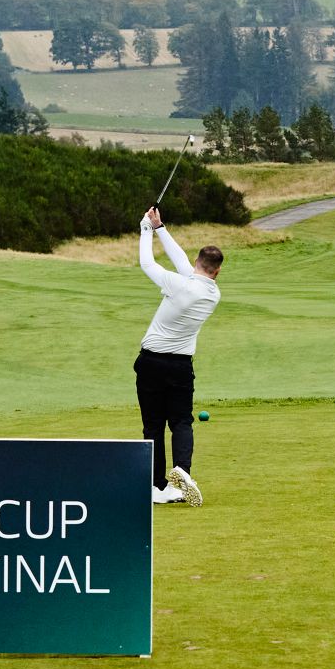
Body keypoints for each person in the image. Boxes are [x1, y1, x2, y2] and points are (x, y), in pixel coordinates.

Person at [135, 205, 221, 505]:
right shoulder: (212, 293)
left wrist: (145, 230)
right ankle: (182, 472)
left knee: (153, 426)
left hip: (151, 363)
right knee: (182, 423)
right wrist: (160, 228)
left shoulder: (178, 284)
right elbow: (186, 266)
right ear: (217, 270)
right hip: (182, 366)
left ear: (198, 262)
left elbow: (147, 264)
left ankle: (157, 487)